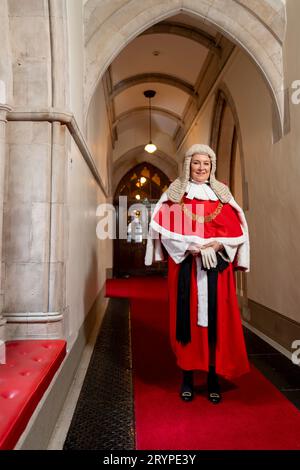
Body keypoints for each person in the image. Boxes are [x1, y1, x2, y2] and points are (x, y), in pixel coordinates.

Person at [145, 144, 250, 404]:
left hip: (218, 270)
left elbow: (238, 232)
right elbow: (163, 229)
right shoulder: (175, 194)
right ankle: (188, 378)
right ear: (187, 164)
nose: (201, 168)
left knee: (218, 322)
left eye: (206, 163)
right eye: (196, 162)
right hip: (186, 270)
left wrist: (218, 245)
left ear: (211, 167)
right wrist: (189, 247)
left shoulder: (222, 195)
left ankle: (213, 377)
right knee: (187, 323)